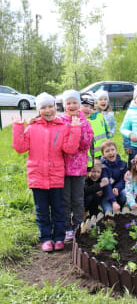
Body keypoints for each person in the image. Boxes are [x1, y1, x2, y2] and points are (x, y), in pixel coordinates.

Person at [12, 92, 81, 252]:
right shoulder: (32, 127)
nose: (48, 110)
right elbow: (20, 147)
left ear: (55, 108)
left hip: (56, 177)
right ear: (39, 110)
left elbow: (70, 149)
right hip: (37, 177)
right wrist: (18, 127)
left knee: (58, 209)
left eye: (51, 106)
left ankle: (58, 237)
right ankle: (46, 238)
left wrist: (75, 129)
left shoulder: (63, 127)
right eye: (44, 107)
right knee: (42, 211)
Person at [59, 90, 94, 242]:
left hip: (79, 168)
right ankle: (67, 227)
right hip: (63, 168)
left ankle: (78, 226)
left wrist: (77, 128)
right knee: (65, 199)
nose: (72, 106)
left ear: (79, 105)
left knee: (78, 199)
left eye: (74, 103)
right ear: (64, 105)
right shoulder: (60, 121)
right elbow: (60, 143)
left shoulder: (85, 122)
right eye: (69, 103)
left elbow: (85, 145)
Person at [81, 92, 109, 168]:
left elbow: (106, 132)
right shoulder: (85, 120)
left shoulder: (100, 116)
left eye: (93, 104)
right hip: (89, 155)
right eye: (86, 106)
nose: (93, 107)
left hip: (102, 152)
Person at [100, 140, 128, 213]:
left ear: (116, 151)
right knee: (109, 211)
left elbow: (124, 179)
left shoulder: (123, 164)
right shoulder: (103, 167)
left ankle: (120, 207)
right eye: (107, 151)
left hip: (118, 191)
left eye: (112, 150)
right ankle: (114, 205)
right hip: (106, 195)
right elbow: (106, 185)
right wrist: (113, 201)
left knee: (124, 193)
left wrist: (117, 188)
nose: (111, 153)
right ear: (103, 154)